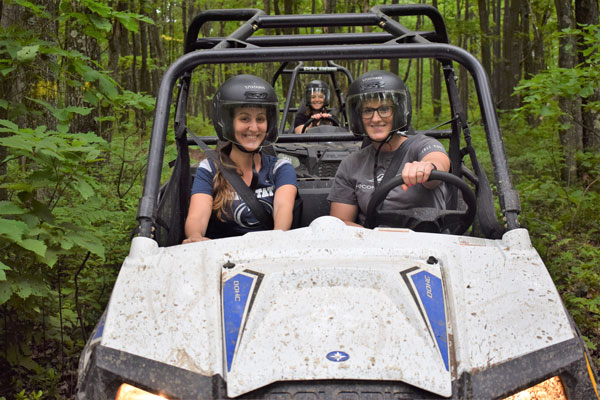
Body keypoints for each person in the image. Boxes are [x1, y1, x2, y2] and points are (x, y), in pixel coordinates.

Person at [328, 70, 450, 227]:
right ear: (358, 116)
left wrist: (427, 167)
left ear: (398, 112)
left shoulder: (421, 145)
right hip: (372, 246)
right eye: (367, 111)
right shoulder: (351, 164)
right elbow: (341, 223)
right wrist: (374, 240)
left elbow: (438, 161)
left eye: (384, 109)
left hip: (424, 246)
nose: (376, 118)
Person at [183, 75, 298, 242]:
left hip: (270, 250)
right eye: (245, 119)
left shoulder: (280, 168)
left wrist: (277, 238)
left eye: (260, 119)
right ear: (228, 123)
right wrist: (195, 236)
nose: (254, 127)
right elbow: (197, 216)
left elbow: (283, 208)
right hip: (224, 257)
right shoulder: (210, 169)